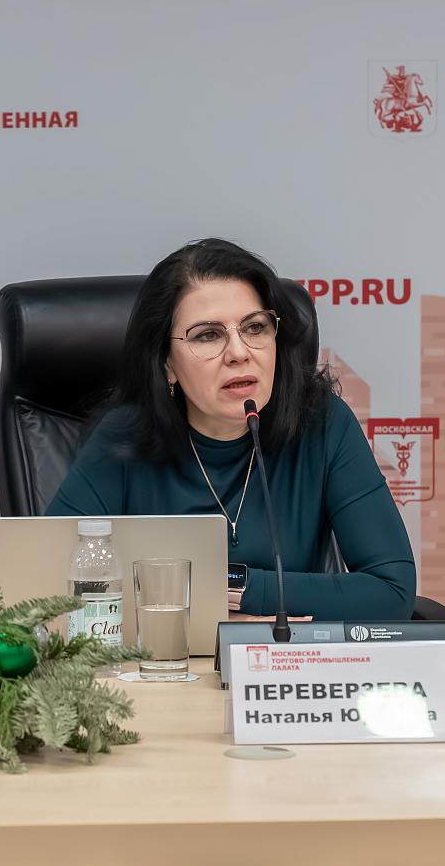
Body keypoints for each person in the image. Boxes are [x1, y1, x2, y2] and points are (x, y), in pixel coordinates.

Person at [45, 238, 415, 621]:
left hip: (283, 657)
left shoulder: (322, 424)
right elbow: (44, 591)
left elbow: (393, 590)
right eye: (208, 335)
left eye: (255, 328)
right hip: (163, 657)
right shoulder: (124, 438)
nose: (239, 353)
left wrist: (238, 589)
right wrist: (214, 619)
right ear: (167, 364)